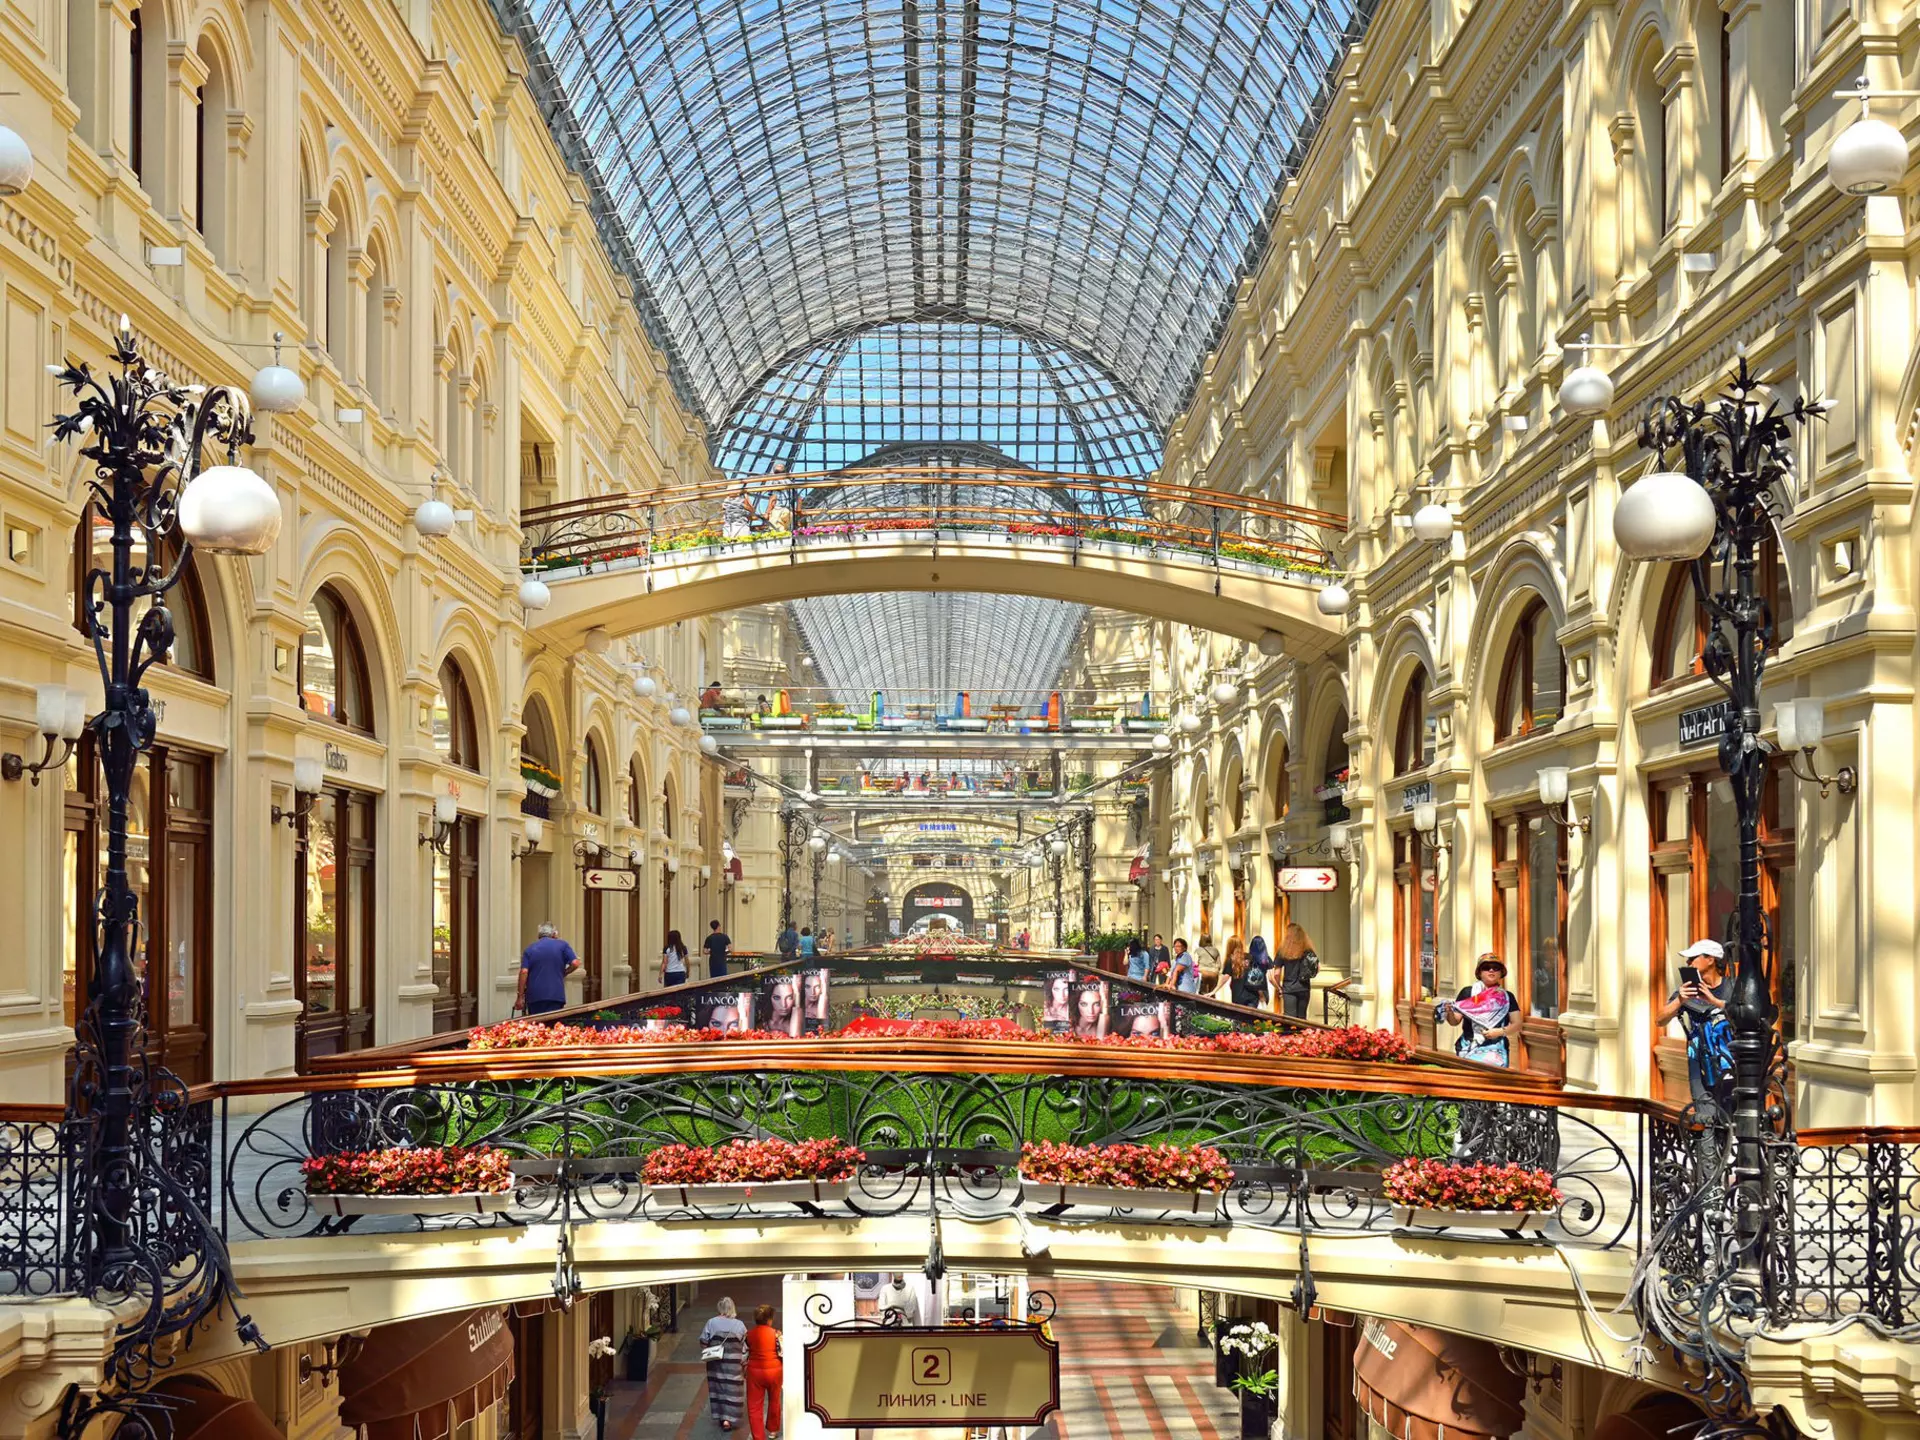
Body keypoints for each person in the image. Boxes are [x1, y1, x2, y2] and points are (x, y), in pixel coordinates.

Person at [1657, 939, 1733, 1115]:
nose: (1688, 963)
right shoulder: (1687, 990)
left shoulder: (1732, 987)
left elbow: (1745, 1015)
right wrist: (1679, 1001)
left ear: (1710, 959)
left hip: (1729, 1061)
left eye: (1692, 958)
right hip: (1698, 1063)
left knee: (1730, 1115)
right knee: (1705, 1117)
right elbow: (1660, 1020)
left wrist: (1713, 1001)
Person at [1446, 954, 1518, 1067]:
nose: (1491, 970)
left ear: (1501, 973)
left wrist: (1499, 1032)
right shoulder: (1468, 993)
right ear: (1479, 972)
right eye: (1486, 967)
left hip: (1496, 1051)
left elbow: (1517, 1024)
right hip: (1468, 1048)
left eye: (1496, 967)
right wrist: (1449, 1012)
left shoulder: (1507, 997)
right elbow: (1454, 1021)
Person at [699, 1297, 749, 1432]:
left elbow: (703, 1341)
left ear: (719, 1308)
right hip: (734, 1365)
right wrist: (743, 1360)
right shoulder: (739, 1325)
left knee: (718, 1389)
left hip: (715, 1364)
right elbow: (746, 1345)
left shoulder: (711, 1323)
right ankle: (730, 1418)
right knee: (733, 1390)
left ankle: (722, 1417)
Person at [515, 922, 579, 1016]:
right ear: (554, 934)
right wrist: (565, 972)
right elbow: (575, 963)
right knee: (553, 1026)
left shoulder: (529, 949)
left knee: (537, 1027)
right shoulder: (562, 945)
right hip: (556, 995)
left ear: (539, 935)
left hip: (534, 996)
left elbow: (524, 972)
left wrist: (520, 997)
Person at [744, 1303, 783, 1440]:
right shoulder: (776, 1334)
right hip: (775, 1370)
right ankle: (773, 1431)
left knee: (754, 1407)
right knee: (775, 1400)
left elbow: (745, 1352)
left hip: (754, 1372)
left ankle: (758, 1437)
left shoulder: (749, 1334)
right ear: (769, 1319)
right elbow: (782, 1352)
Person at [1276, 922, 1320, 1019]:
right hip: (1304, 987)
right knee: (1302, 1018)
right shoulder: (1307, 949)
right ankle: (1302, 1034)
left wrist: (1279, 987)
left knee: (1290, 1019)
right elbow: (1318, 967)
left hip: (1289, 988)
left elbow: (1277, 973)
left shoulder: (1283, 950)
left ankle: (1291, 1034)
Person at [1244, 935, 1274, 1010]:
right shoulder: (1267, 959)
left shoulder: (1247, 959)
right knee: (1262, 1015)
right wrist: (1279, 988)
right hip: (1263, 988)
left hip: (1249, 989)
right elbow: (1271, 978)